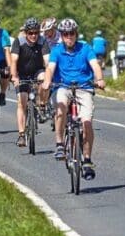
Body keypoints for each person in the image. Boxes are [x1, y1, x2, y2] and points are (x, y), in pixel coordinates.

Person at [42, 18, 106, 180]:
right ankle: (59, 144)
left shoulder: (85, 48)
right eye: (65, 34)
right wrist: (47, 81)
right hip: (62, 86)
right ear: (61, 36)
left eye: (71, 34)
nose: (69, 37)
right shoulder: (57, 50)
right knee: (61, 106)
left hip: (84, 87)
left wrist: (99, 79)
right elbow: (50, 68)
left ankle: (87, 160)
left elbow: (95, 65)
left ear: (76, 34)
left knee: (87, 122)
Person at [10, 17, 50, 147]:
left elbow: (47, 60)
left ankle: (42, 105)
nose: (33, 35)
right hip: (21, 73)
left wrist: (50, 77)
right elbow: (13, 61)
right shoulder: (19, 42)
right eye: (30, 33)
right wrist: (14, 77)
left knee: (44, 79)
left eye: (36, 33)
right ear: (26, 33)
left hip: (37, 70)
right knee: (22, 101)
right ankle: (21, 135)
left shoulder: (42, 41)